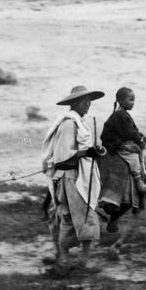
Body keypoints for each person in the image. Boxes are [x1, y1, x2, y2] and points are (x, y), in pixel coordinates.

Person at [41, 85, 106, 270]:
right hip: (71, 177)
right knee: (84, 215)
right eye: (84, 101)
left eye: (89, 101)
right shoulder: (68, 124)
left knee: (70, 218)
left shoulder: (78, 122)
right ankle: (82, 261)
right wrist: (87, 151)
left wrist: (93, 151)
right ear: (74, 103)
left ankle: (67, 260)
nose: (88, 104)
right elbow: (63, 156)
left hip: (73, 176)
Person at [100, 87, 146, 194]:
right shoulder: (120, 115)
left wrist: (141, 135)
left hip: (121, 140)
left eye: (134, 100)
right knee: (132, 156)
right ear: (121, 101)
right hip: (114, 143)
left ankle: (144, 169)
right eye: (130, 100)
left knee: (141, 149)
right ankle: (138, 180)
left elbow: (133, 130)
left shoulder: (124, 114)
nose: (133, 103)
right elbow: (129, 132)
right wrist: (139, 139)